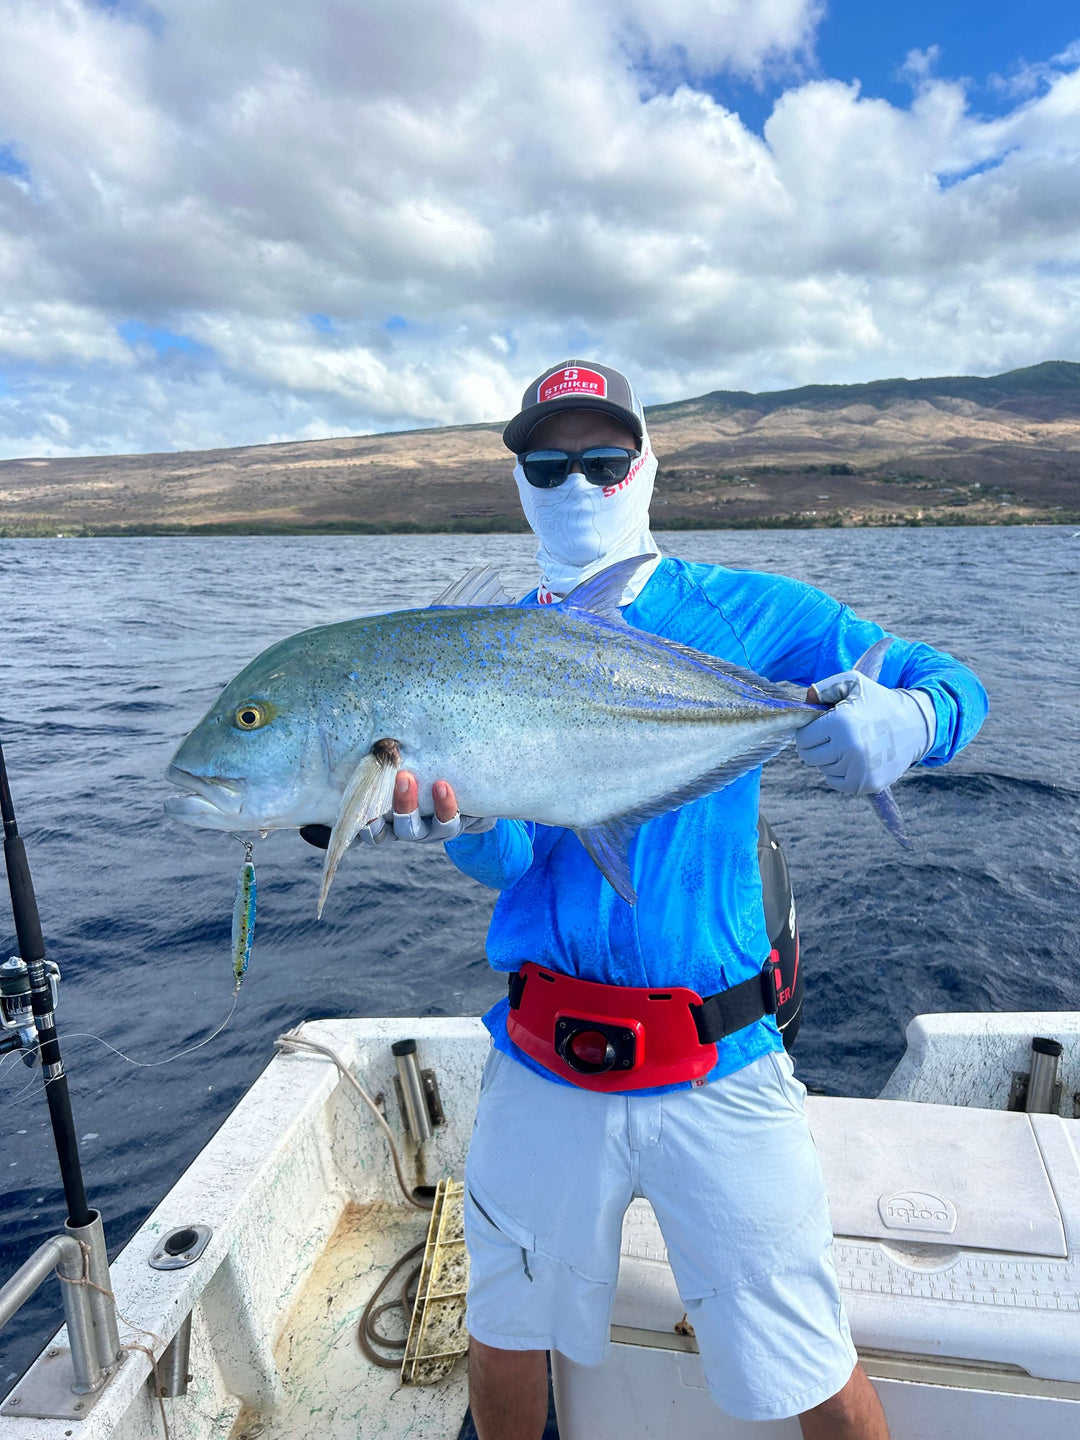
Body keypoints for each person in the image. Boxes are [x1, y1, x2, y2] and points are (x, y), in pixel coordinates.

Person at [354, 362, 988, 1439]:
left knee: (807, 1362)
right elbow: (512, 861)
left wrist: (911, 723)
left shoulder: (751, 611)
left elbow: (957, 680)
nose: (578, 483)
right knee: (505, 1334)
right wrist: (455, 827)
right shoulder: (479, 652)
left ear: (647, 466)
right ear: (519, 481)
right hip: (543, 1058)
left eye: (604, 460)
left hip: (722, 1058)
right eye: (548, 463)